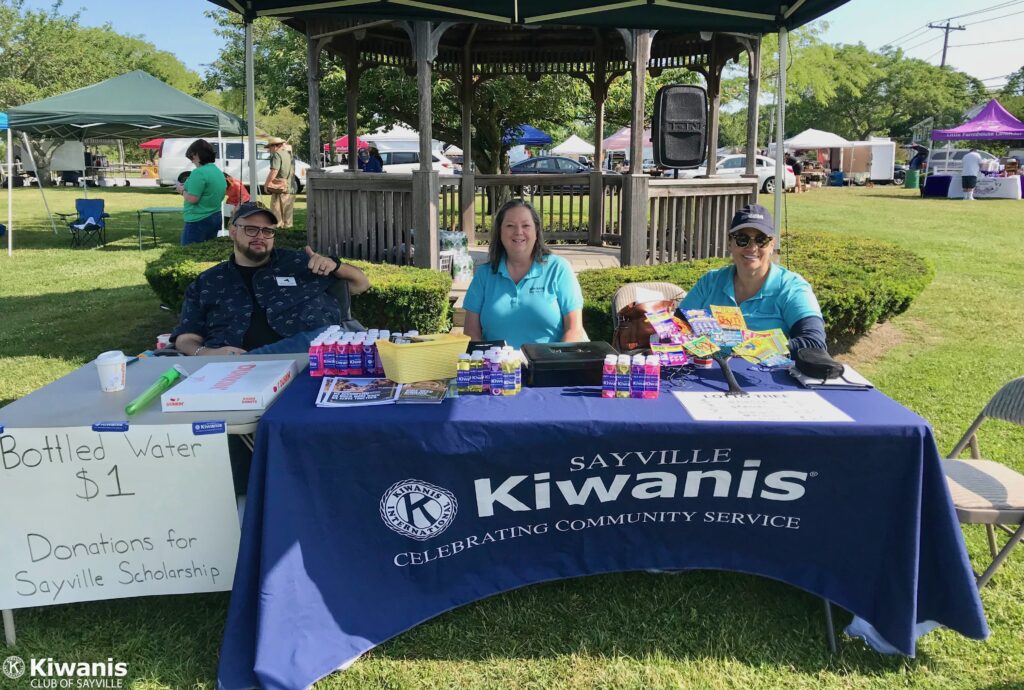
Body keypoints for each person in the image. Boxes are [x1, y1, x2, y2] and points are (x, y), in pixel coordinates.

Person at [170, 202, 370, 357]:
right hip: (233, 366)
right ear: (233, 232)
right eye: (251, 229)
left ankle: (254, 360)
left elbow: (361, 283)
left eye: (267, 231)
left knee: (324, 334)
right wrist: (205, 353)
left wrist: (336, 266)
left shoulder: (299, 263)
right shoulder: (208, 282)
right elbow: (186, 336)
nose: (260, 236)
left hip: (307, 356)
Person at [676, 204, 826, 356]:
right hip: (704, 372)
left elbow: (814, 343)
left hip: (763, 377)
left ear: (772, 244)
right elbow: (677, 327)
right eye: (742, 239)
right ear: (730, 243)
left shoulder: (791, 287)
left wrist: (756, 348)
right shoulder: (710, 281)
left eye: (761, 240)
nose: (752, 247)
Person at [463, 199, 586, 348]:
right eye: (510, 226)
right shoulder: (484, 275)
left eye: (526, 225)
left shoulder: (559, 269)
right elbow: (471, 333)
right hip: (497, 368)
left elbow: (574, 330)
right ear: (500, 233)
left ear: (536, 232)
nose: (518, 232)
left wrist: (554, 364)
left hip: (549, 366)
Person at [178, 139, 227, 245]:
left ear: (195, 155)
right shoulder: (218, 172)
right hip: (215, 216)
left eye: (191, 157)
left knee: (188, 254)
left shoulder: (198, 173)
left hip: (198, 220)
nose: (191, 161)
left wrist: (182, 191)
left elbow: (193, 199)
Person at [264, 136, 296, 229]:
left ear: (274, 146)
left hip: (280, 187)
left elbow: (274, 171)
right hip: (291, 187)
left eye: (269, 148)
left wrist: (266, 184)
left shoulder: (277, 155)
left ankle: (278, 234)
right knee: (288, 218)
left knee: (276, 215)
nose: (269, 150)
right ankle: (287, 234)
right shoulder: (289, 154)